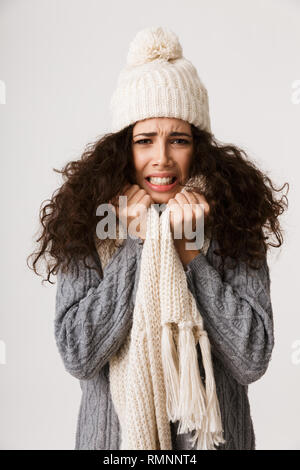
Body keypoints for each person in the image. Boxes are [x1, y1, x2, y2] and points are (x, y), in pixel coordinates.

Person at [28, 26, 289, 450]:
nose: (162, 158)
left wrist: (189, 259)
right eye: (145, 140)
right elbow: (79, 353)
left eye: (178, 140)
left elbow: (252, 357)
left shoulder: (233, 224)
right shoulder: (90, 224)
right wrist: (140, 245)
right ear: (123, 148)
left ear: (199, 148)